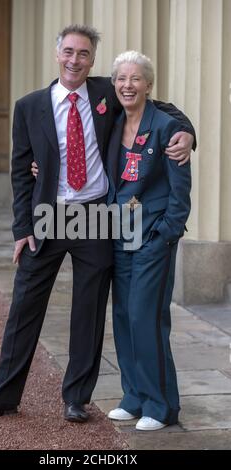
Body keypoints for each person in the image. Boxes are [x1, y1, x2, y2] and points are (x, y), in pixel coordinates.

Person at [0, 25, 195, 425]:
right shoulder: (29, 105)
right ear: (58, 54)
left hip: (95, 215)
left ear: (91, 60)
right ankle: (1, 396)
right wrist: (22, 228)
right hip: (50, 215)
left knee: (88, 312)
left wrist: (189, 134)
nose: (75, 60)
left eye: (83, 54)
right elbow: (21, 172)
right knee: (24, 308)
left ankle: (76, 398)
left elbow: (161, 108)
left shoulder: (108, 92)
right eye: (69, 52)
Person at [105, 51, 191, 430]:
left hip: (153, 238)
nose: (128, 84)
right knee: (123, 317)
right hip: (117, 235)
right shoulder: (111, 123)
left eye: (135, 78)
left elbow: (180, 191)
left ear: (148, 85)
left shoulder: (168, 127)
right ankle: (134, 397)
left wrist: (166, 235)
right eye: (121, 78)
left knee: (146, 318)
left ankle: (161, 405)